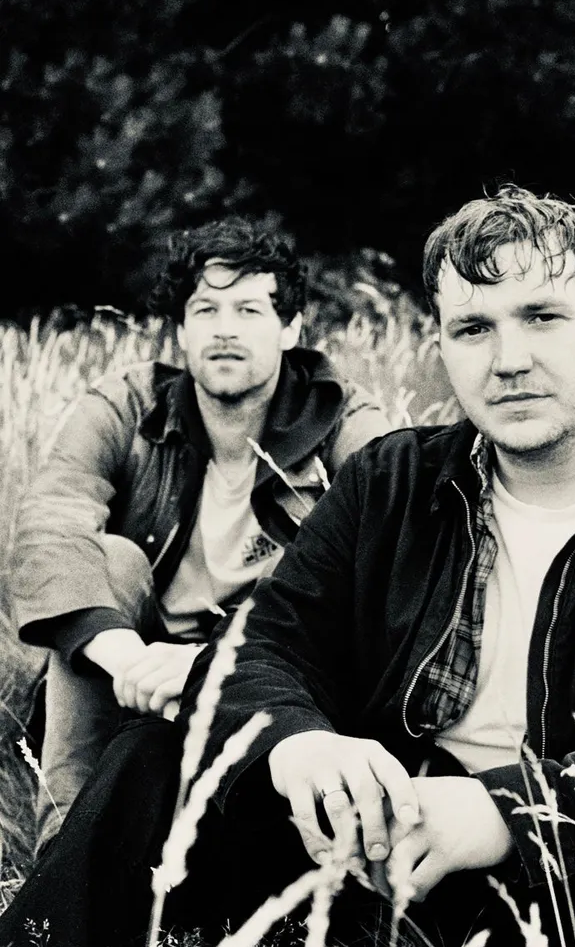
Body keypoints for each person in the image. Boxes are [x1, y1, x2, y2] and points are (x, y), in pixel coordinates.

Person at [0, 186, 575, 947]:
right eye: (473, 328)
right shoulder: (392, 481)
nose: (508, 359)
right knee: (151, 758)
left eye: (542, 317)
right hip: (371, 848)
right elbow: (264, 646)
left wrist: (512, 811)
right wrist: (296, 744)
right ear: (441, 345)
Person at [11, 215, 390, 853]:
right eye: (205, 309)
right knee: (110, 558)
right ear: (182, 330)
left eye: (249, 309)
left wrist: (208, 665)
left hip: (262, 666)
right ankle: (65, 846)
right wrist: (122, 654)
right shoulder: (130, 404)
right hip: (130, 665)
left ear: (290, 328)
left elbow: (392, 550)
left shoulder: (343, 420)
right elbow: (52, 518)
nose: (224, 328)